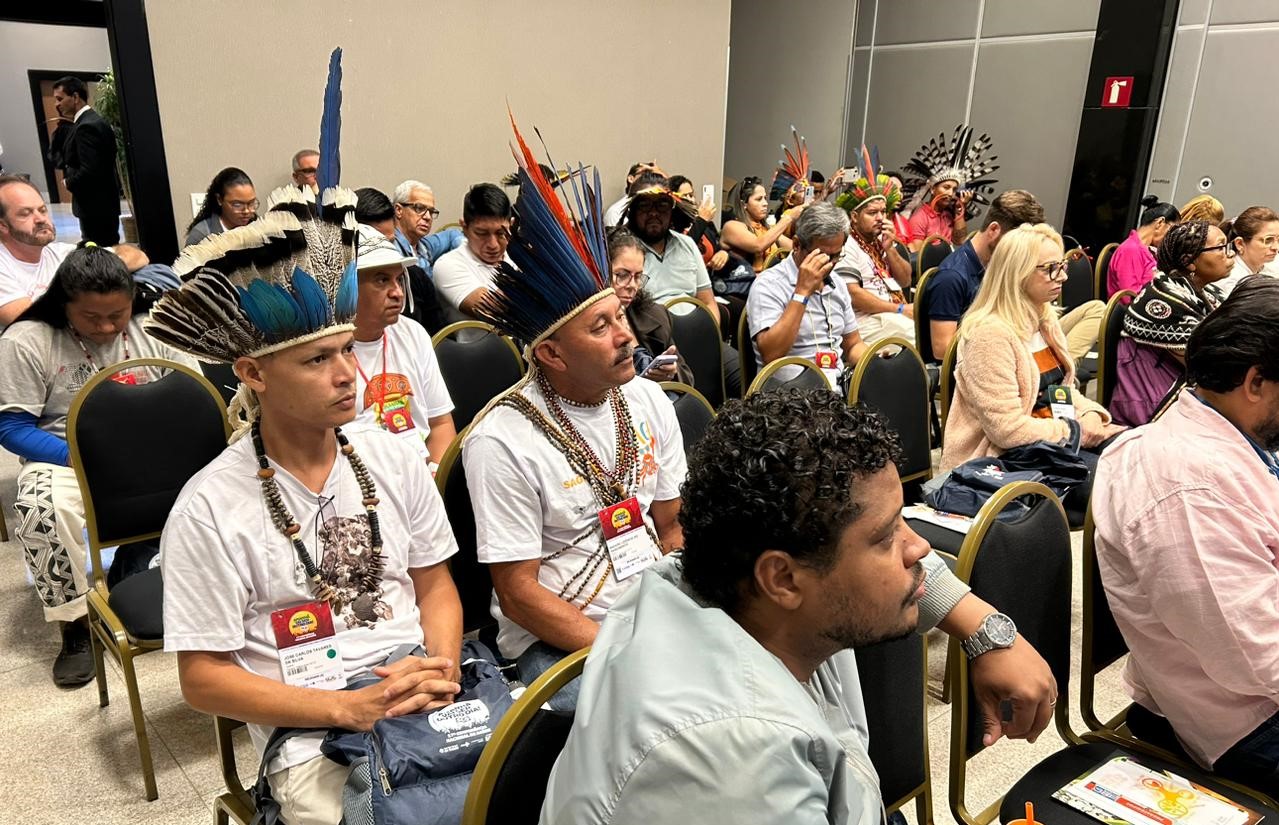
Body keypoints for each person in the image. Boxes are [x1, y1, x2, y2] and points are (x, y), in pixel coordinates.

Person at [541, 390, 1058, 824]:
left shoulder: (725, 583)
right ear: (782, 577)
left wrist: (984, 628)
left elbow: (899, 568)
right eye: (885, 537)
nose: (918, 547)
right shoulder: (738, 766)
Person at [147, 187, 464, 825]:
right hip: (311, 724)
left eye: (348, 349)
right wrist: (346, 709)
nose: (349, 372)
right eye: (318, 359)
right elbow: (202, 679)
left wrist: (442, 670)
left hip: (421, 689)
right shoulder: (209, 506)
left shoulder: (392, 456)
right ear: (253, 374)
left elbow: (436, 587)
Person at [465, 140, 686, 710]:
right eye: (601, 327)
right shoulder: (501, 439)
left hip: (653, 609)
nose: (628, 337)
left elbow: (672, 527)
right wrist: (627, 648)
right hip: (561, 638)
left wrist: (687, 615)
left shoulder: (646, 401)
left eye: (620, 316)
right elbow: (518, 596)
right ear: (553, 356)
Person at [1093, 277, 1279, 795]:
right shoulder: (1183, 484)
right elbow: (1256, 655)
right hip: (1241, 721)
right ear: (1256, 382)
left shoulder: (1238, 435)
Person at [0, 245, 198, 687]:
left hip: (154, 451)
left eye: (119, 314)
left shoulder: (155, 326)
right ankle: (74, 625)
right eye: (93, 318)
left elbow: (193, 396)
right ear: (63, 305)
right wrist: (77, 457)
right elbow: (11, 426)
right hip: (65, 456)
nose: (108, 327)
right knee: (40, 505)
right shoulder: (27, 339)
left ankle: (140, 560)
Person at [940, 224, 1123, 484]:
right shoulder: (989, 336)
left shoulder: (1044, 318)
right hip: (999, 463)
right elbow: (1007, 431)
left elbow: (1061, 392)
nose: (1063, 277)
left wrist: (1091, 415)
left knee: (1136, 453)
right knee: (1119, 480)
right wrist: (1076, 431)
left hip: (1047, 444)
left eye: (1062, 266)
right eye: (1051, 269)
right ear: (1017, 273)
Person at [351, 224, 457, 468]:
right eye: (381, 280)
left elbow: (440, 423)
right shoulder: (327, 354)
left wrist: (436, 480)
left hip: (422, 472)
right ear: (349, 287)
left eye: (399, 279)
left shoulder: (413, 333)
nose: (397, 292)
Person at [1111, 221, 1231, 426]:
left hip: (1185, 394)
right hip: (1150, 405)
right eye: (1220, 247)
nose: (1229, 253)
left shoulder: (1205, 292)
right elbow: (1209, 365)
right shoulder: (1160, 301)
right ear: (1190, 261)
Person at [0, 175, 150, 327]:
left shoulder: (60, 253)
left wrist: (100, 267)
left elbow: (139, 256)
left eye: (42, 210)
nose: (40, 219)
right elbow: (27, 320)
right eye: (25, 213)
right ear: (2, 225)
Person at [746, 202, 867, 388]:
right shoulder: (768, 284)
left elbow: (853, 345)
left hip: (835, 392)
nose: (830, 264)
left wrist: (872, 360)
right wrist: (802, 292)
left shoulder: (837, 283)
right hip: (788, 397)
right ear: (796, 245)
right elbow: (771, 354)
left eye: (836, 256)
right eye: (822, 255)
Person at [926, 189, 1047, 361]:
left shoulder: (999, 265)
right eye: (1017, 243)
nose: (1022, 251)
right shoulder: (951, 278)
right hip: (983, 364)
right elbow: (942, 349)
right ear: (994, 230)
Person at [831, 150, 915, 346]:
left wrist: (890, 249)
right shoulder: (846, 244)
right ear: (854, 217)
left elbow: (905, 280)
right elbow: (852, 294)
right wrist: (900, 310)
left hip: (890, 314)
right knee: (913, 334)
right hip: (863, 321)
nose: (880, 218)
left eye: (883, 212)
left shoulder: (880, 240)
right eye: (872, 213)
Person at [356, 186, 449, 334]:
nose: (398, 293)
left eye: (390, 243)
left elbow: (444, 339)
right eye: (376, 245)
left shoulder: (415, 276)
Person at [607, 229, 694, 385]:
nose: (632, 285)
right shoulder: (590, 326)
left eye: (638, 276)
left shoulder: (654, 314)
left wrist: (671, 372)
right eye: (622, 275)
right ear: (601, 270)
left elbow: (688, 378)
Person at [900, 123, 1001, 253]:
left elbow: (959, 240)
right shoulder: (920, 217)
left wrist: (960, 210)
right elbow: (917, 260)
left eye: (954, 189)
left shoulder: (948, 215)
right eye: (946, 187)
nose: (950, 193)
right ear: (932, 189)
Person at [49, 77, 120, 246]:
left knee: (99, 254)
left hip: (95, 207)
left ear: (75, 97)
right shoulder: (89, 121)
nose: (56, 104)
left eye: (60, 99)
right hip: (99, 206)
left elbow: (91, 170)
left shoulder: (87, 126)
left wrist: (68, 182)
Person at [432, 183, 514, 319]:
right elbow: (491, 309)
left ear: (511, 225)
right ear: (464, 227)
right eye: (482, 233)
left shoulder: (516, 258)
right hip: (487, 340)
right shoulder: (447, 264)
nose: (493, 245)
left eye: (501, 233)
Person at [719, 175, 799, 274]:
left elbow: (795, 248)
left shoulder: (765, 228)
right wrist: (789, 217)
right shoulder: (732, 226)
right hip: (747, 285)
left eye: (765, 198)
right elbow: (758, 245)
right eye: (759, 199)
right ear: (744, 204)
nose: (765, 203)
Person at [1106, 195, 1178, 297]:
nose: (1170, 238)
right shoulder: (1130, 250)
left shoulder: (1148, 250)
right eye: (1172, 231)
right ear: (1160, 223)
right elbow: (1129, 296)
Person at [391, 179, 464, 280]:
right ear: (398, 210)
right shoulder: (390, 250)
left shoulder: (423, 246)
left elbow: (452, 235)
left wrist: (467, 254)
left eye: (431, 211)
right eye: (419, 208)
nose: (428, 217)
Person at [185, 167, 258, 247]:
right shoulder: (201, 236)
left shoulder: (257, 226)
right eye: (237, 205)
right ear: (219, 199)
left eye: (251, 203)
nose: (247, 211)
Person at [1216, 206, 1279, 296]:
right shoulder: (1231, 282)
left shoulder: (1272, 264)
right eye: (1268, 240)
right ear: (1240, 244)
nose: (1276, 247)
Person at [603, 160, 661, 228]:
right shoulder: (616, 212)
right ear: (631, 178)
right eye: (645, 174)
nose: (650, 179)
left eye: (654, 175)